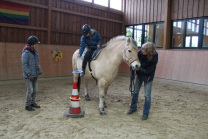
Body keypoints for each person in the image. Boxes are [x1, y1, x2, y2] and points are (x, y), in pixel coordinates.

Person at [127, 42, 158, 120]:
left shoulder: (155, 55)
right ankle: (133, 108)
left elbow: (149, 70)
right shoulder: (140, 53)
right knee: (135, 92)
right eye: (142, 48)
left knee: (147, 96)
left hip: (148, 77)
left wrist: (139, 68)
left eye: (144, 50)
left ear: (149, 51)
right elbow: (136, 62)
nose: (142, 50)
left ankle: (145, 113)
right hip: (140, 75)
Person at [21, 36, 42, 111]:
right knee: (30, 90)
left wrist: (39, 69)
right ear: (31, 44)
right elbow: (24, 65)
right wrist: (29, 74)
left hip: (35, 74)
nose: (36, 45)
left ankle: (33, 102)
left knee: (35, 90)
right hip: (28, 75)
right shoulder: (25, 52)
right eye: (35, 44)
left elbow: (36, 63)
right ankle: (27, 105)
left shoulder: (35, 52)